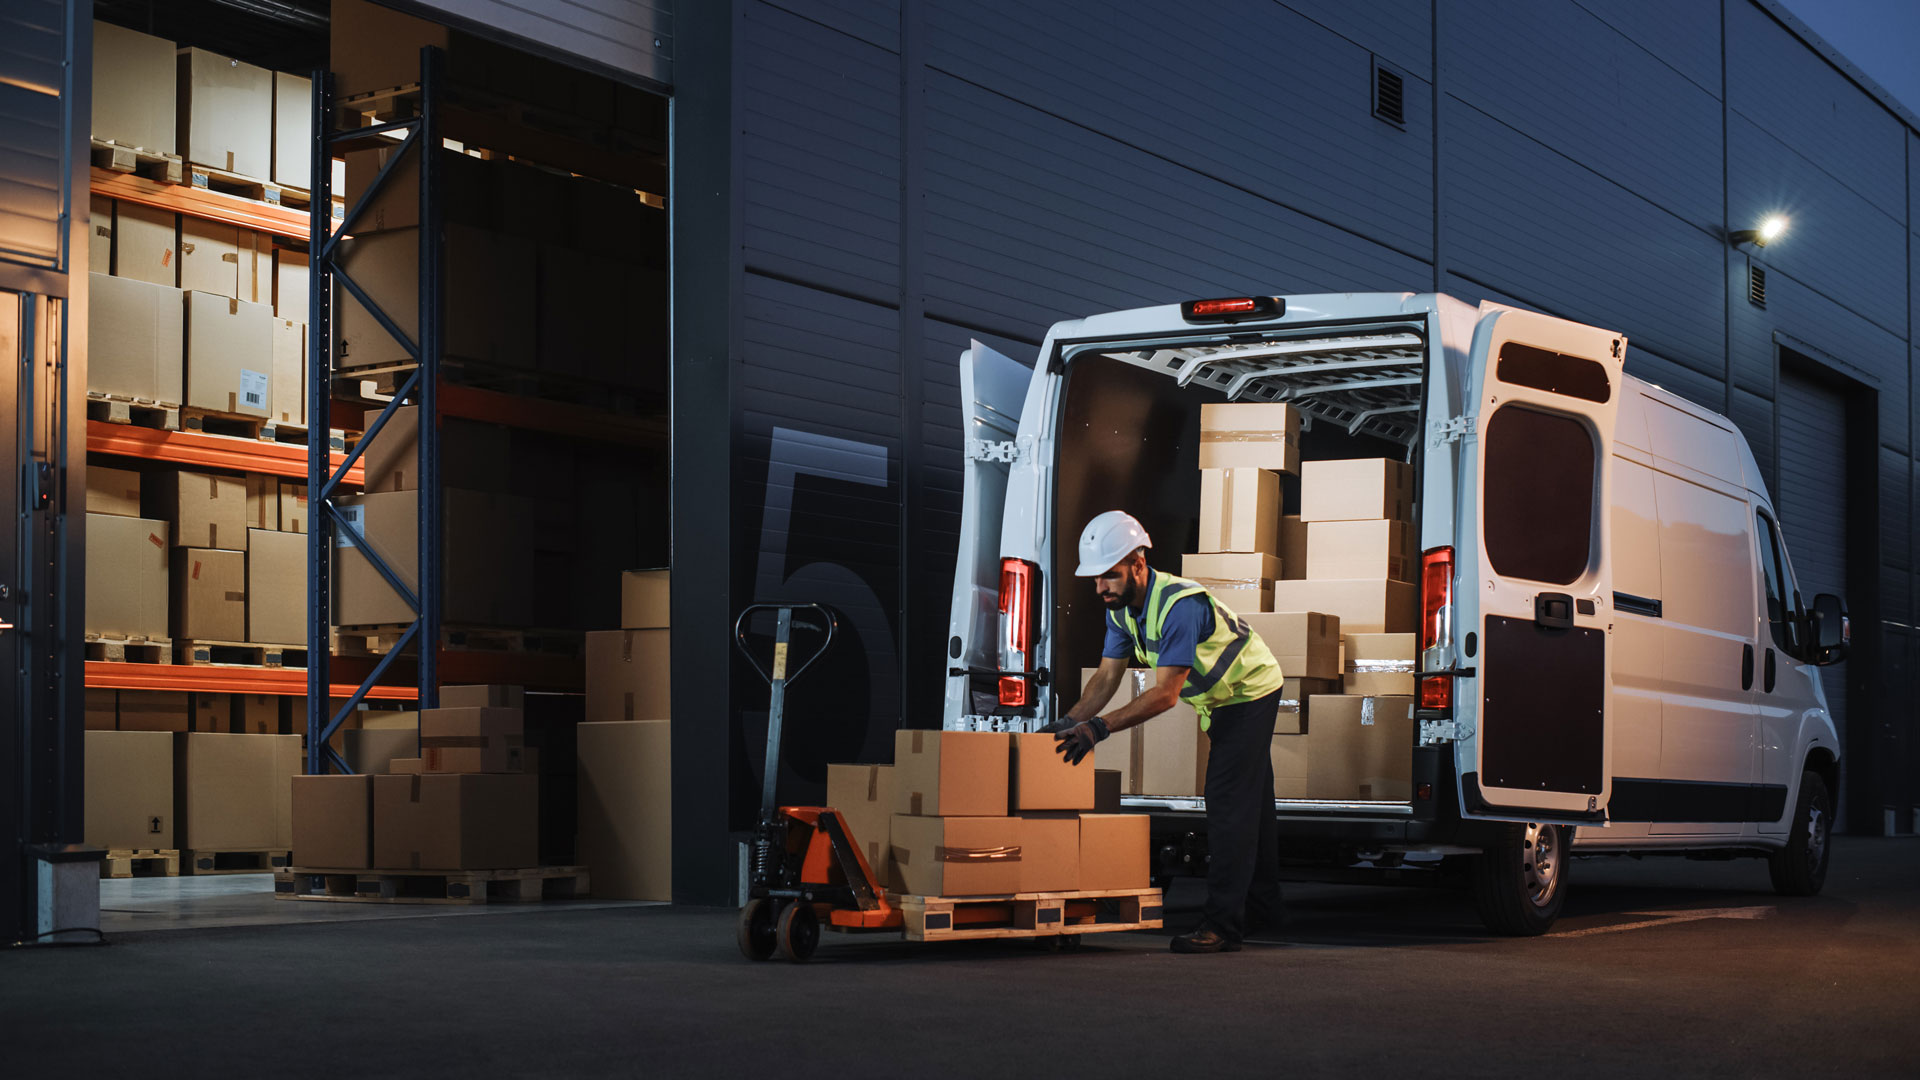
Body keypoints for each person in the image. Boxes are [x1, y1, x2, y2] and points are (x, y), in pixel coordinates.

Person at [1047, 510, 1287, 953]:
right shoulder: (1121, 611)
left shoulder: (1179, 606)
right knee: (1254, 806)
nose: (1101, 588)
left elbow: (1164, 695)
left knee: (1228, 804)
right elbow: (1105, 679)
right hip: (1221, 700)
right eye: (1095, 579)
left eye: (1110, 576)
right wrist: (1066, 724)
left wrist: (1098, 729)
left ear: (1139, 563)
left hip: (1248, 693)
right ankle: (1264, 911)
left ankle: (1223, 928)